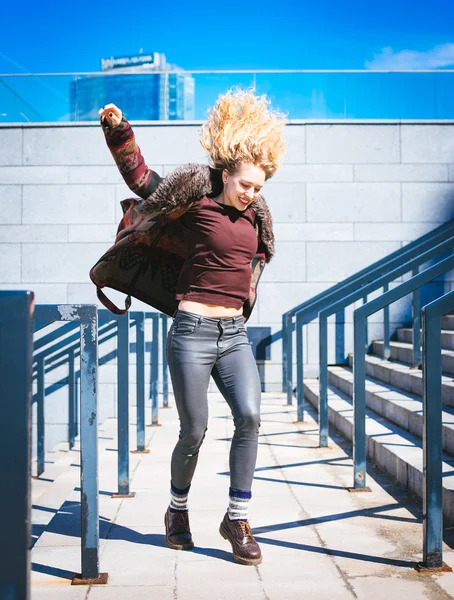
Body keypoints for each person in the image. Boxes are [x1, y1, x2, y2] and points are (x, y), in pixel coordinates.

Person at [95, 88, 286, 566]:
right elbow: (142, 181)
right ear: (225, 175)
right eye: (245, 184)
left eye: (259, 188)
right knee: (194, 430)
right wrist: (119, 133)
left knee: (251, 416)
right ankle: (177, 511)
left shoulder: (258, 216)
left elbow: (256, 263)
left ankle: (236, 519)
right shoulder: (194, 199)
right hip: (192, 332)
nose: (251, 194)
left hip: (234, 335)